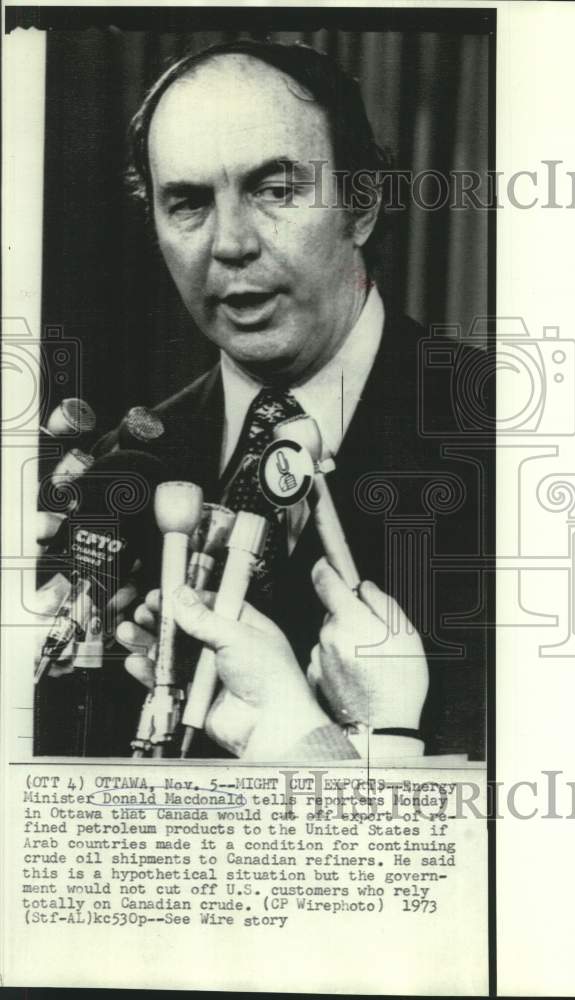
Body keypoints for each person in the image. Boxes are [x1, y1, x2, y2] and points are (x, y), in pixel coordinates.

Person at [36, 39, 489, 760]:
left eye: (275, 190)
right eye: (187, 204)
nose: (231, 244)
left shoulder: (503, 436)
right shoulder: (121, 472)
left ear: (362, 204)